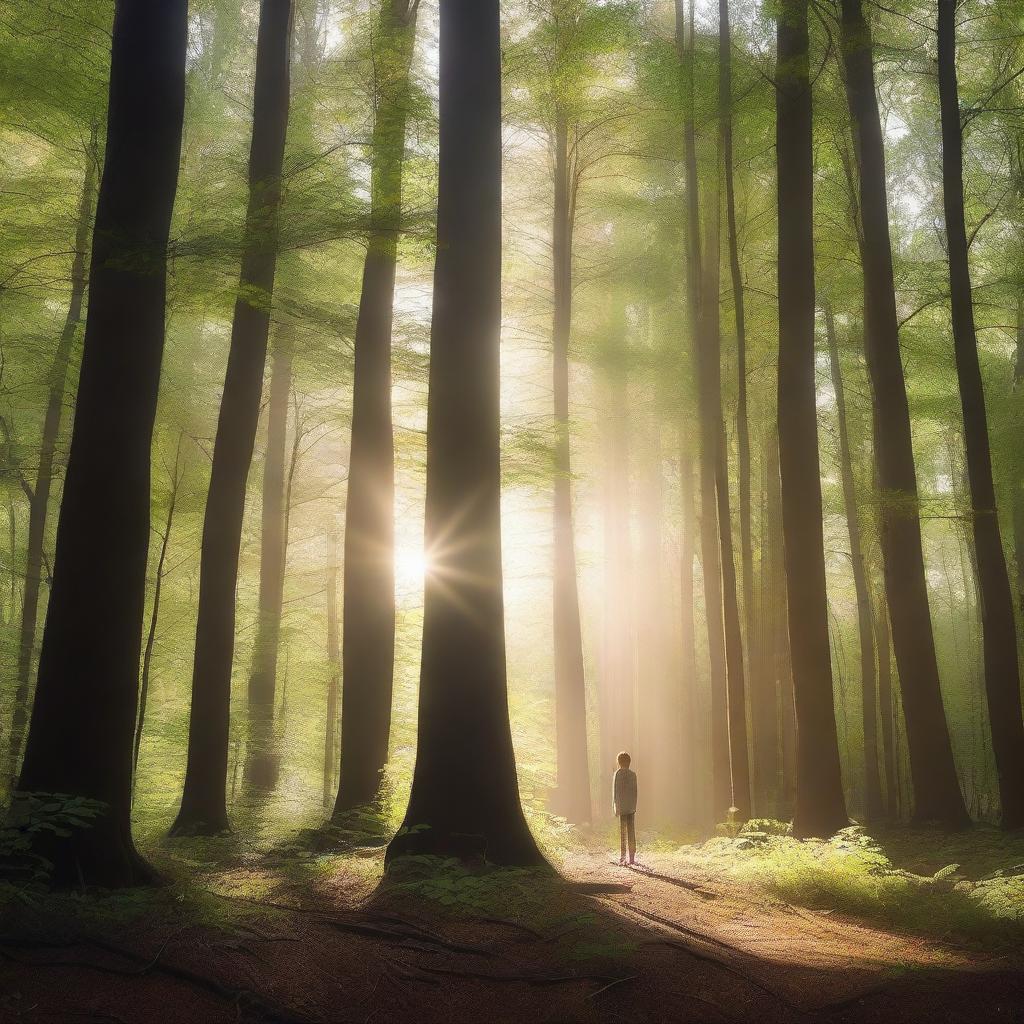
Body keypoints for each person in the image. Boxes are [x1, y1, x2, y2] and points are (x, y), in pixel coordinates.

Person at [613, 751, 637, 866]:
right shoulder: (633, 774)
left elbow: (616, 792)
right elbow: (635, 792)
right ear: (629, 762)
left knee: (623, 832)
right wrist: (634, 806)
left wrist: (616, 807)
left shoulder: (618, 774)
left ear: (619, 762)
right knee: (631, 831)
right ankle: (632, 857)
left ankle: (623, 857)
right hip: (631, 807)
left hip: (622, 807)